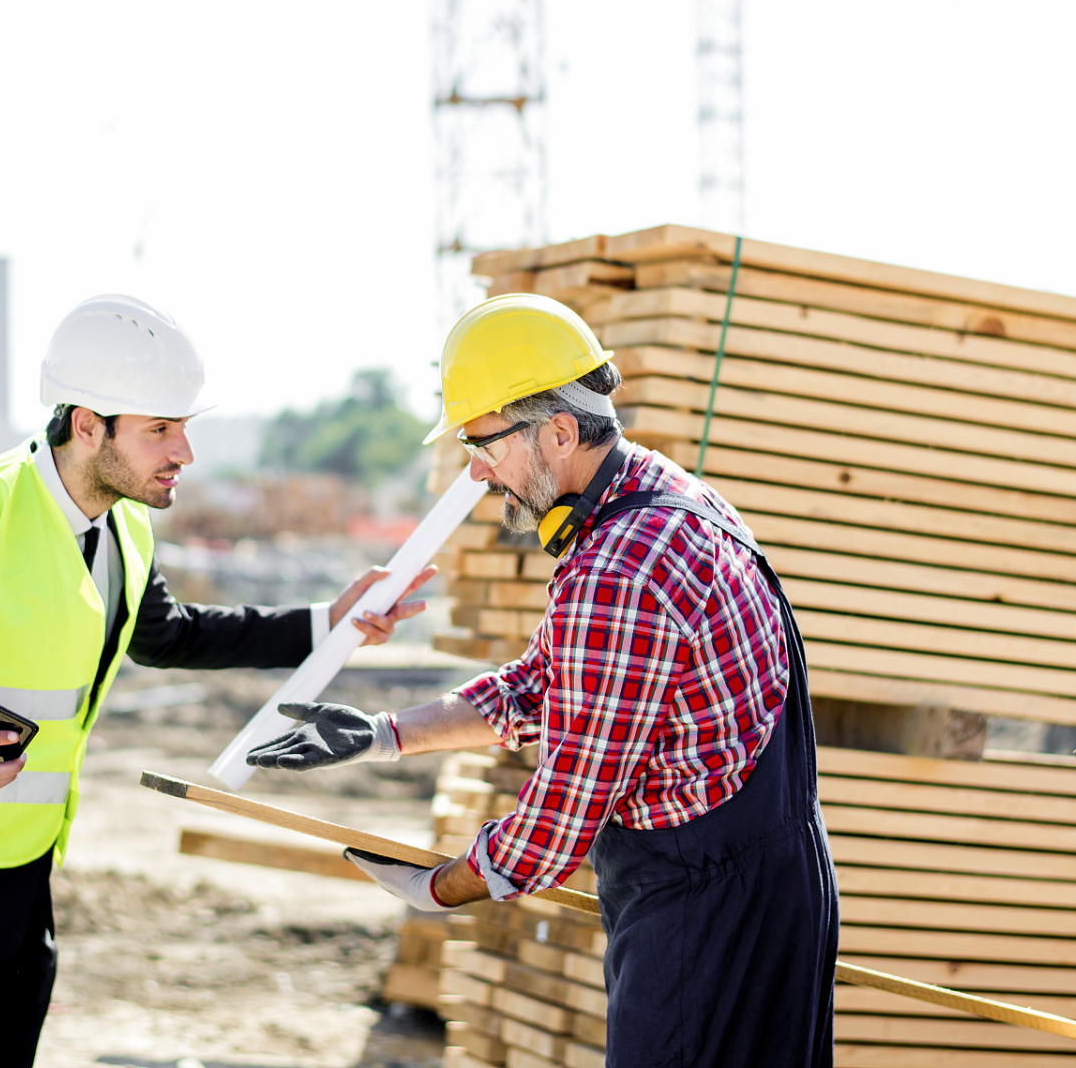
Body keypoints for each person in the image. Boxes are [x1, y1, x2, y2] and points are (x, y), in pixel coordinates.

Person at [0, 294, 431, 1068]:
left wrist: (328, 621)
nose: (185, 452)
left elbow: (166, 635)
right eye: (160, 428)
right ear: (87, 425)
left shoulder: (124, 524)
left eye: (183, 426)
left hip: (24, 883)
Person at [247, 294, 838, 1068]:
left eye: (484, 442)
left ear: (559, 431)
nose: (475, 468)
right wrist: (384, 735)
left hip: (706, 916)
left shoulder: (621, 567)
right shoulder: (668, 497)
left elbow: (553, 830)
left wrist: (439, 887)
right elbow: (544, 686)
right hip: (772, 882)